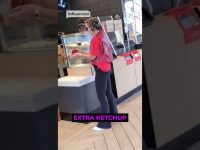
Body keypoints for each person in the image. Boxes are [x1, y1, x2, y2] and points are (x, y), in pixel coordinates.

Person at [72, 17, 118, 131]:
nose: (86, 30)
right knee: (109, 93)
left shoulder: (95, 39)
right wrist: (82, 52)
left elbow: (93, 56)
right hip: (107, 67)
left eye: (87, 28)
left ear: (92, 28)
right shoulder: (102, 35)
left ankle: (105, 124)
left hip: (100, 69)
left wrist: (80, 55)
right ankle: (114, 115)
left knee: (101, 96)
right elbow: (96, 53)